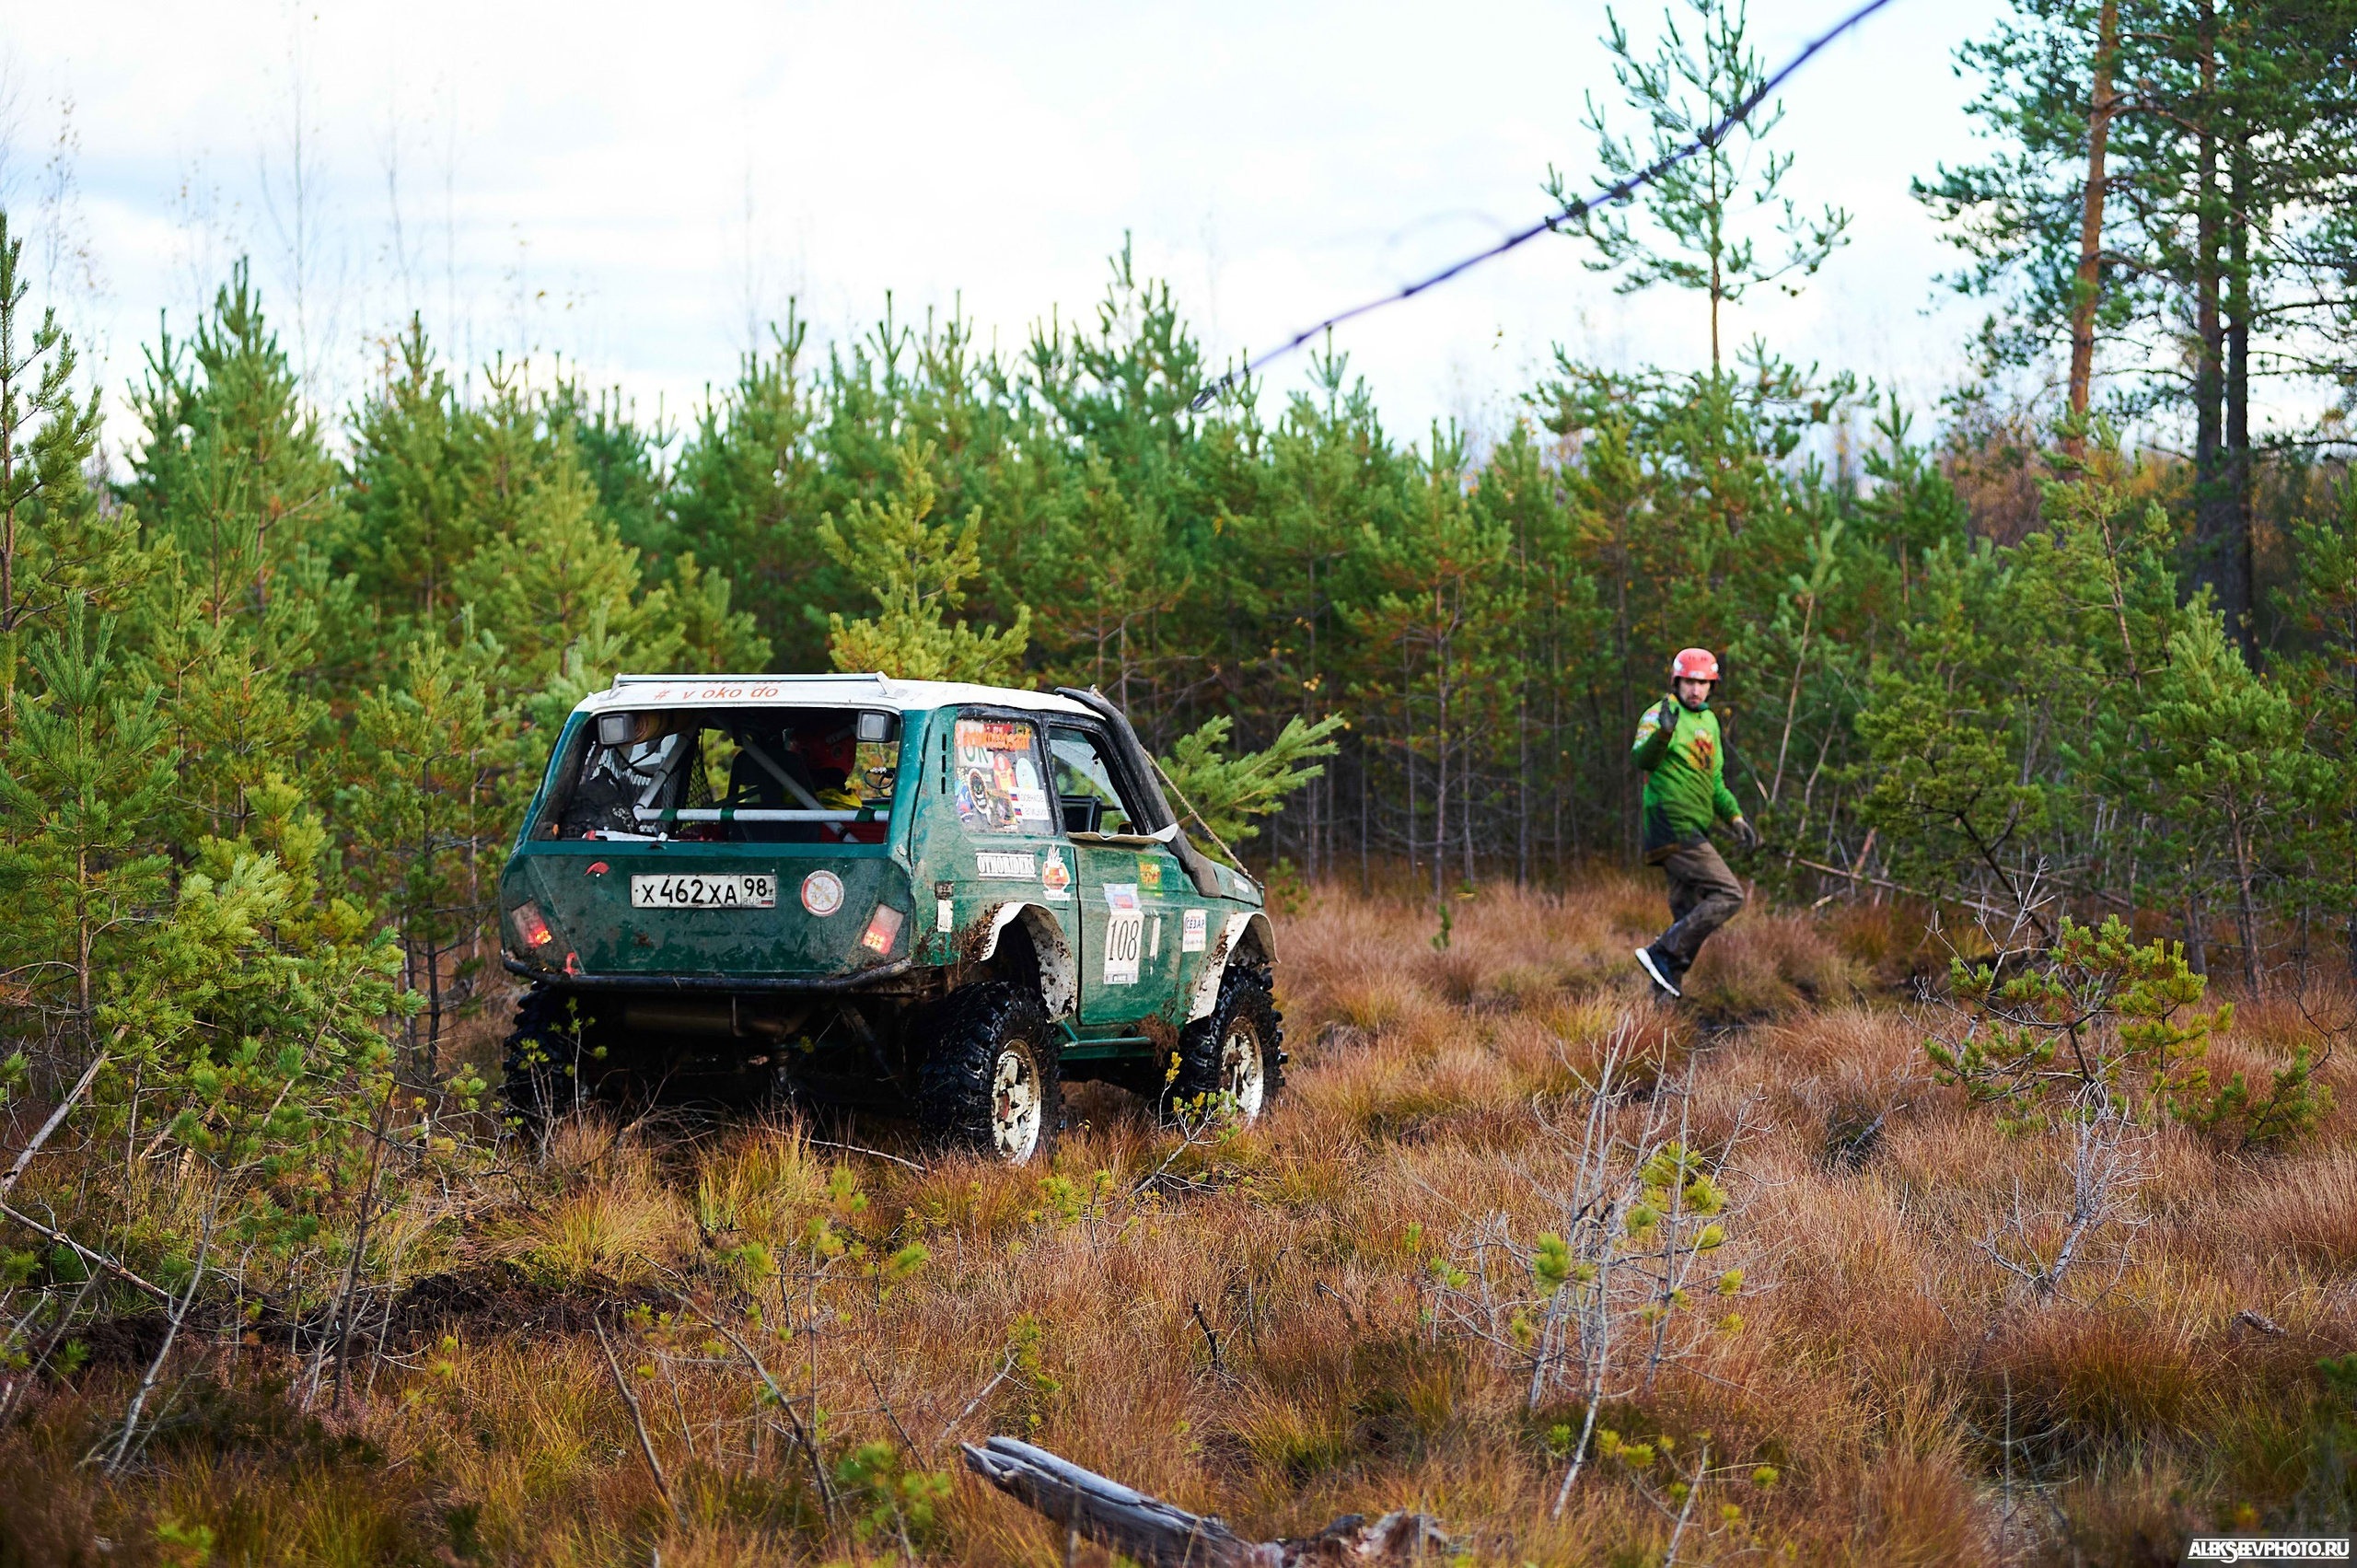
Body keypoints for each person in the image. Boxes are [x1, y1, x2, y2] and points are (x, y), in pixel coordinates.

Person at [1630, 647, 1758, 999]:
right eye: (1689, 682)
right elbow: (1642, 759)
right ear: (1677, 681)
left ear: (1711, 686)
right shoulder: (1660, 714)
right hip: (1670, 822)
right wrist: (1663, 734)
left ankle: (1662, 1005)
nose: (1696, 690)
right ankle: (1662, 952)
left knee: (1686, 914)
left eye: (1703, 683)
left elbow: (1714, 780)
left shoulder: (1710, 722)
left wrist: (1734, 817)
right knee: (1729, 894)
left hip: (1696, 825)